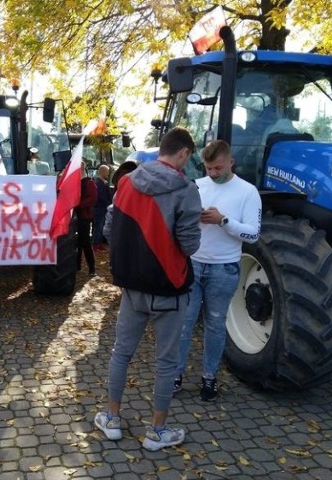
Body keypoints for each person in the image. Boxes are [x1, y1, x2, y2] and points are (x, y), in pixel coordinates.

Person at [95, 127, 202, 451]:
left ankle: (111, 419)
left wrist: (135, 256)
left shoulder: (126, 181)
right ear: (182, 153)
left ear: (161, 149)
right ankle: (156, 432)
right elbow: (190, 244)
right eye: (189, 157)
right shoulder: (186, 189)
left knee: (121, 353)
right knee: (166, 362)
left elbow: (109, 228)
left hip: (133, 288)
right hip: (170, 289)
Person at [174, 139, 262, 401]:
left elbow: (254, 233)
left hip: (224, 267)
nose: (212, 173)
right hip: (194, 263)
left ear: (231, 162)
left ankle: (209, 377)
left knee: (215, 324)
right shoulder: (197, 186)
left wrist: (223, 220)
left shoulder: (248, 191)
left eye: (218, 168)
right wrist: (192, 217)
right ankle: (175, 374)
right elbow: (180, 219)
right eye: (208, 168)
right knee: (183, 323)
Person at [76, 162, 97, 275]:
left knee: (85, 242)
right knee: (77, 243)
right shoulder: (75, 183)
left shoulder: (89, 183)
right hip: (75, 216)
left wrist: (78, 204)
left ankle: (92, 267)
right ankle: (77, 265)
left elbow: (92, 199)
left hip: (84, 216)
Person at [92, 164, 112, 251]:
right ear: (103, 171)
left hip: (99, 208)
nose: (108, 174)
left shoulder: (98, 182)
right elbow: (102, 196)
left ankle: (97, 242)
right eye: (107, 172)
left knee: (97, 226)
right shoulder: (99, 184)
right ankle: (97, 244)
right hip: (100, 208)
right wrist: (108, 204)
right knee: (99, 226)